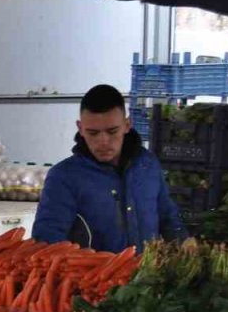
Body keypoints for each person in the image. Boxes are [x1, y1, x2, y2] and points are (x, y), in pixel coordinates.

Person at [33, 84, 187, 252]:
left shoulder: (148, 165)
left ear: (127, 125)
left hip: (147, 275)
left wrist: (184, 241)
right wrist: (76, 258)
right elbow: (46, 239)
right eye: (93, 133)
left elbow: (168, 217)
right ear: (80, 129)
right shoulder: (64, 177)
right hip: (91, 277)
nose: (103, 141)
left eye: (112, 131)